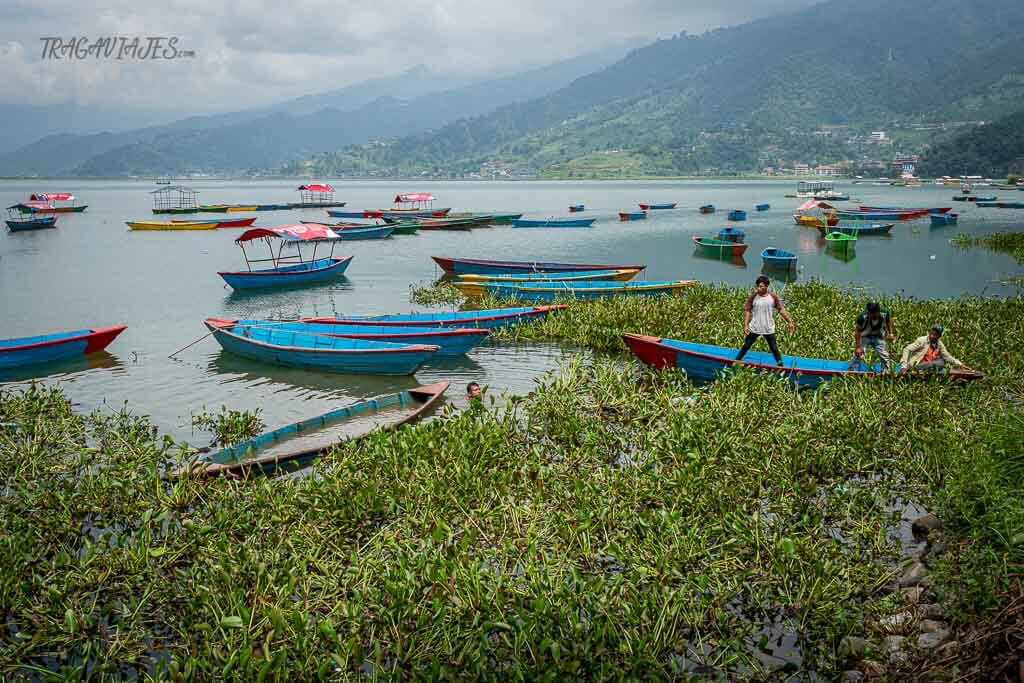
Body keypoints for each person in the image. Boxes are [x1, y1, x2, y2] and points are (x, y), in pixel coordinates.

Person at [736, 276, 796, 366]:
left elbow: (781, 310)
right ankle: (735, 361)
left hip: (768, 328)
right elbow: (748, 311)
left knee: (774, 349)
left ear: (767, 286)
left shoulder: (773, 297)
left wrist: (790, 322)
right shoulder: (753, 297)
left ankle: (781, 366)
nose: (758, 288)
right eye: (758, 286)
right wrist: (746, 325)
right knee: (746, 346)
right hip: (755, 327)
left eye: (761, 286)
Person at [848, 301, 894, 371]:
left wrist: (890, 334)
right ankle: (851, 370)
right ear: (868, 312)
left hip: (879, 336)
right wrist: (858, 347)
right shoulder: (862, 316)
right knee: (859, 354)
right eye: (871, 314)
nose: (873, 315)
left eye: (875, 313)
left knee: (884, 355)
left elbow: (888, 322)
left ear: (878, 311)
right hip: (865, 337)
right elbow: (857, 332)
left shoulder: (885, 313)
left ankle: (887, 371)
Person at [899, 325, 967, 373]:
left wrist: (960, 364)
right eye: (931, 333)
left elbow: (947, 356)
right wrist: (904, 366)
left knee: (942, 365)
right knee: (941, 363)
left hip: (927, 365)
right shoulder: (922, 340)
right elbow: (907, 349)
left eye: (935, 334)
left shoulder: (939, 344)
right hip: (916, 365)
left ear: (939, 336)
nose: (932, 336)